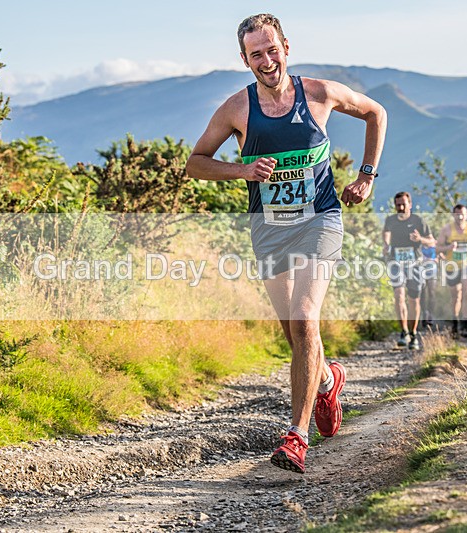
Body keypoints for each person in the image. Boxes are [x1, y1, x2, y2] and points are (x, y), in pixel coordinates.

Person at [185, 13, 387, 474]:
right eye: (256, 53)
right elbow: (195, 163)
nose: (266, 59)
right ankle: (327, 380)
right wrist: (242, 170)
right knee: (294, 334)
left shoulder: (319, 93)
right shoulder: (237, 109)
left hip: (320, 220)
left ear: (286, 47)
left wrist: (366, 177)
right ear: (245, 59)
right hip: (269, 229)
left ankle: (297, 437)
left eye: (271, 49)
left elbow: (376, 113)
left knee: (305, 317)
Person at [382, 192, 436, 351]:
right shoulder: (390, 220)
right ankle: (403, 331)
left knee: (414, 300)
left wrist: (420, 240)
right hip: (396, 262)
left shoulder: (418, 221)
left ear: (410, 204)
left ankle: (413, 334)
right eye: (398, 204)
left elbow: (431, 242)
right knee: (399, 295)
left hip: (415, 264)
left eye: (404, 204)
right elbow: (386, 232)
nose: (401, 207)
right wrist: (386, 244)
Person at [436, 204, 467, 338]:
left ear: (466, 215)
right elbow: (437, 248)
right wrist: (449, 247)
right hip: (452, 266)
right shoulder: (447, 229)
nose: (460, 216)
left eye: (462, 214)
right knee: (455, 296)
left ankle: (465, 326)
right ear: (453, 215)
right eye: (457, 214)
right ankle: (455, 321)